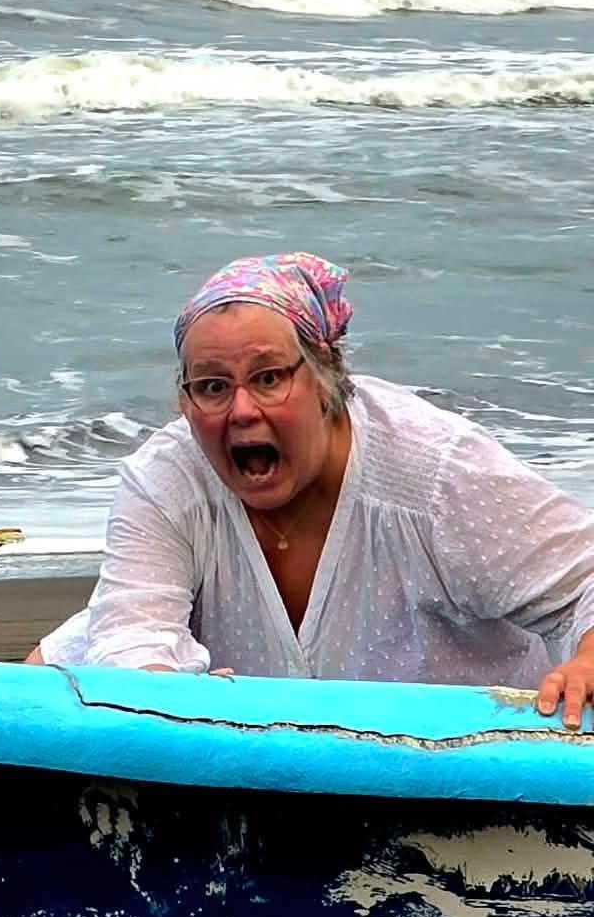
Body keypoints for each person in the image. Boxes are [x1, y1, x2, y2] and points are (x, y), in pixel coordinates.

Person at [36, 252, 594, 727]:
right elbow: (131, 641)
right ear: (184, 401)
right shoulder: (168, 477)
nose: (242, 410)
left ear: (325, 372)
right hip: (248, 739)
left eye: (269, 377)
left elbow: (583, 580)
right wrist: (170, 698)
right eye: (211, 387)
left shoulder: (435, 472)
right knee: (52, 669)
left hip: (463, 742)